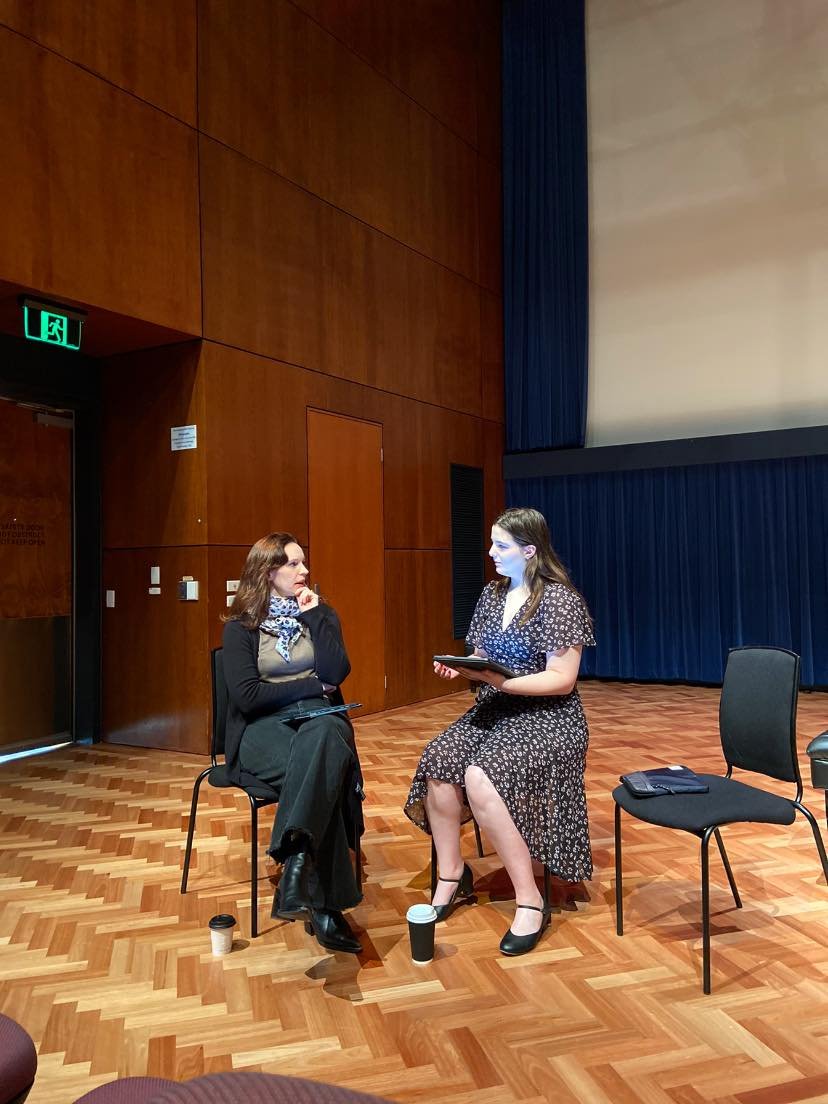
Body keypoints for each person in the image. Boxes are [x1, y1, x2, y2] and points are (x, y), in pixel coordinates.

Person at [404, 507, 595, 956]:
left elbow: (561, 679)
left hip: (548, 715)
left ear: (530, 551)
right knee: (439, 759)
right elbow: (481, 655)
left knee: (480, 775)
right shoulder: (492, 594)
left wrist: (501, 682)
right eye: (492, 544)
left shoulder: (561, 600)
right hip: (496, 706)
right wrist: (462, 668)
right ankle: (452, 873)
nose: (491, 553)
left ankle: (530, 898)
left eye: (501, 546)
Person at [222, 532, 364, 955]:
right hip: (262, 728)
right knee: (322, 773)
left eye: (304, 563)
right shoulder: (241, 628)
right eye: (294, 564)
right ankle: (326, 909)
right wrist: (309, 684)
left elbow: (337, 673)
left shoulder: (320, 614)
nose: (305, 572)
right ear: (268, 572)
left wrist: (317, 620)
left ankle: (296, 861)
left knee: (323, 741)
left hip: (321, 718)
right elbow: (247, 696)